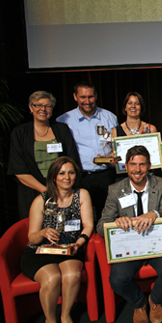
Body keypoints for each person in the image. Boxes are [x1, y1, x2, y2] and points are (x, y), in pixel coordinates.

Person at [97, 145, 162, 323]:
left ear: (149, 166)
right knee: (117, 280)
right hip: (128, 247)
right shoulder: (115, 190)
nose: (137, 170)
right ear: (126, 166)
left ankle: (155, 300)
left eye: (142, 165)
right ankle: (138, 303)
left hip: (156, 244)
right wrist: (117, 221)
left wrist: (155, 213)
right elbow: (101, 225)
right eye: (133, 164)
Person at [20, 156, 93, 323]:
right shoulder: (41, 200)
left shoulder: (81, 194)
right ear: (54, 177)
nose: (67, 177)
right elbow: (32, 237)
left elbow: (89, 225)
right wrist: (43, 232)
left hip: (70, 248)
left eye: (71, 173)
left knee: (73, 275)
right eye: (62, 173)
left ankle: (65, 314)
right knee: (52, 278)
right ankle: (50, 320)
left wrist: (79, 243)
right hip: (40, 251)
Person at [8, 91, 81, 219]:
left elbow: (72, 160)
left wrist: (59, 189)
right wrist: (46, 191)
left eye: (47, 106)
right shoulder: (19, 133)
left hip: (62, 190)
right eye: (38, 105)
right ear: (31, 108)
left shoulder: (62, 129)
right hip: (32, 192)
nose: (43, 109)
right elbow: (19, 169)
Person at [57, 81, 119, 219]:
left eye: (90, 97)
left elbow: (117, 146)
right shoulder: (64, 120)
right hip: (80, 177)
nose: (87, 101)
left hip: (106, 176)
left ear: (96, 96)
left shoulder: (110, 117)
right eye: (82, 97)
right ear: (75, 97)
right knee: (81, 217)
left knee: (108, 216)